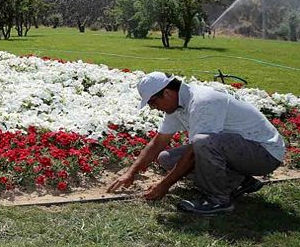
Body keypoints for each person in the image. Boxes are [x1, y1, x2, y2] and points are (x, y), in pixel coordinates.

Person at [107, 72, 285, 214]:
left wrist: (164, 186)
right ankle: (240, 182)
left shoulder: (202, 101)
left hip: (265, 153)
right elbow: (157, 143)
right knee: (166, 158)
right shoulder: (177, 106)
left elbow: (194, 152)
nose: (154, 108)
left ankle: (218, 201)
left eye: (153, 102)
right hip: (242, 150)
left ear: (167, 93)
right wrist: (130, 173)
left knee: (202, 142)